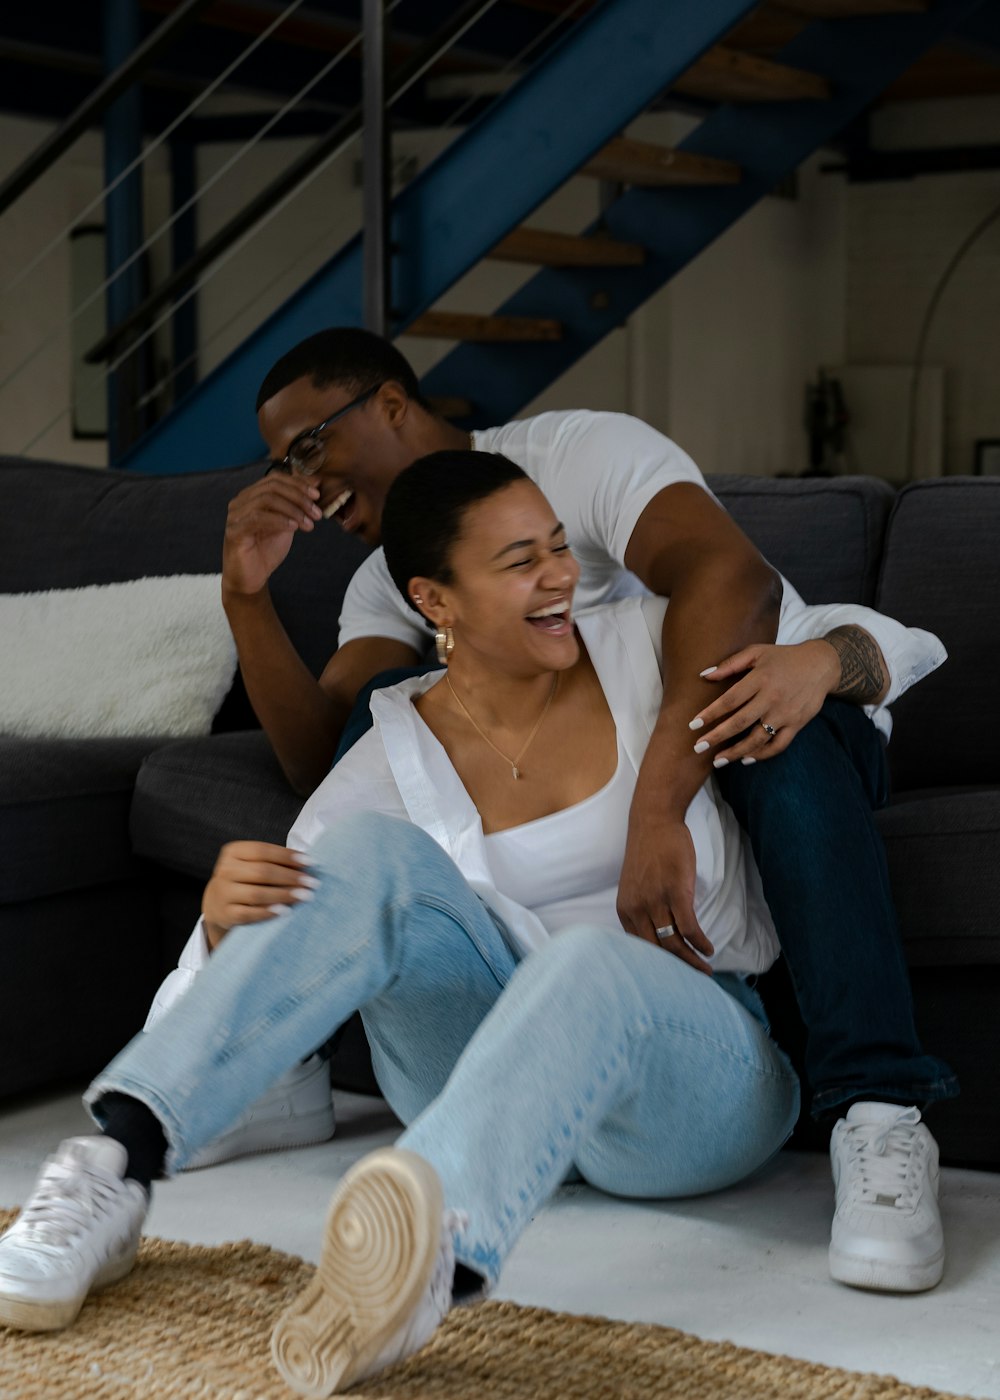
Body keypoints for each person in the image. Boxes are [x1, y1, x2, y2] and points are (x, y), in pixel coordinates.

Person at [0, 456, 946, 1396]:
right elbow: (267, 971)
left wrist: (821, 662)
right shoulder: (391, 752)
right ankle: (112, 1168)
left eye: (557, 550)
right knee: (362, 855)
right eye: (518, 562)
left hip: (684, 1077)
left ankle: (431, 1256)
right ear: (434, 600)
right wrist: (215, 930)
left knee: (584, 960)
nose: (559, 576)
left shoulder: (652, 647)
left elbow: (893, 645)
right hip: (475, 1063)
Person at [220, 328, 956, 1274]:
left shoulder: (576, 452)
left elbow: (728, 579)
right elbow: (332, 756)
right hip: (602, 787)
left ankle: (882, 1114)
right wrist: (245, 598)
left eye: (307, 449)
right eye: (281, 465)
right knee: (381, 708)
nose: (305, 486)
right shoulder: (389, 585)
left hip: (779, 710)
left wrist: (657, 809)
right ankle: (285, 1055)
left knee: (757, 717)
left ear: (391, 405)